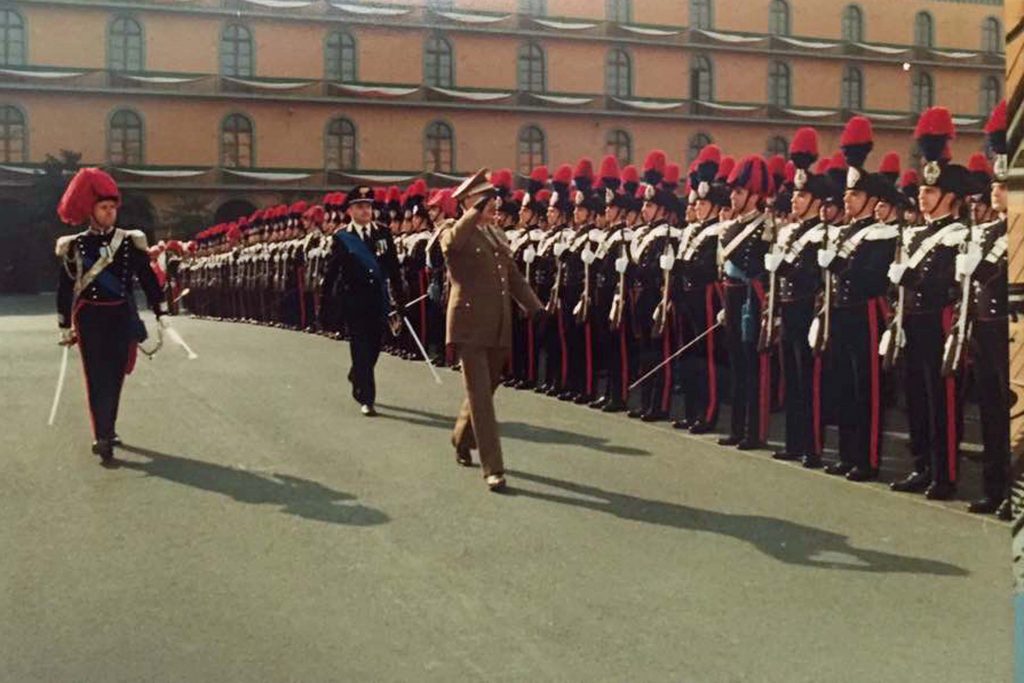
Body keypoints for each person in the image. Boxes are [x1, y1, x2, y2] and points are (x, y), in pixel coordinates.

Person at [54, 168, 168, 465]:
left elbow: (147, 278)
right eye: (103, 207)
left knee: (116, 375)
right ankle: (101, 435)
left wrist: (161, 310)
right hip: (89, 317)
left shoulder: (129, 242)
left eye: (112, 207)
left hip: (120, 314)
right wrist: (64, 324)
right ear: (91, 211)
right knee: (96, 376)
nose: (109, 212)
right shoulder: (75, 245)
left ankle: (109, 427)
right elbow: (65, 287)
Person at [442, 169, 544, 492]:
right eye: (481, 200)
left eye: (490, 199)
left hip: (499, 326)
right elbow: (451, 244)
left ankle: (461, 437)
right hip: (469, 326)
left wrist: (534, 306)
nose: (490, 205)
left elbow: (513, 276)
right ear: (466, 203)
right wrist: (473, 212)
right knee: (482, 400)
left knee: (486, 391)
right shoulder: (453, 231)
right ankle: (493, 468)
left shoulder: (496, 235)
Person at [888, 107, 969, 500]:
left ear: (950, 198)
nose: (922, 196)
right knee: (915, 398)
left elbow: (945, 283)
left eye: (931, 192)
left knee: (942, 399)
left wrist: (911, 278)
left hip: (939, 321)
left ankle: (945, 474)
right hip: (914, 322)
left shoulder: (958, 234)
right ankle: (921, 465)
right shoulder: (915, 234)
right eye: (922, 190)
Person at [319, 185, 404, 417]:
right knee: (360, 348)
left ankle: (357, 374)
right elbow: (331, 273)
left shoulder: (383, 233)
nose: (365, 211)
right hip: (354, 302)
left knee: (375, 347)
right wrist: (325, 304)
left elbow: (393, 269)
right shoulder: (342, 238)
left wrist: (400, 299)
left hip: (378, 300)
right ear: (350, 211)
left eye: (368, 206)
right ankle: (367, 398)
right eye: (359, 207)